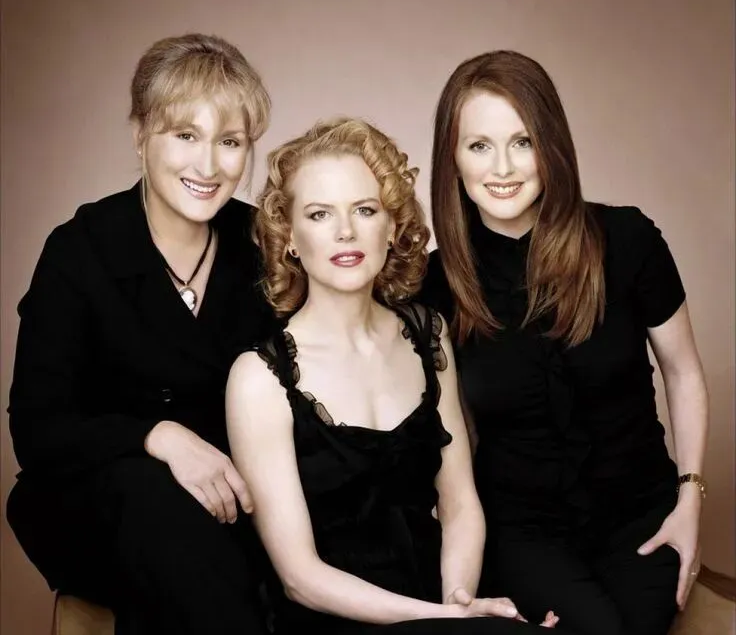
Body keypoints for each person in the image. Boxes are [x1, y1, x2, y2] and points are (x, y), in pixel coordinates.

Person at [225, 117, 568, 635]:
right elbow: (299, 578)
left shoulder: (428, 334)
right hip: (334, 620)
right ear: (289, 237)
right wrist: (444, 620)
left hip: (438, 599)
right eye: (319, 214)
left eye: (365, 210)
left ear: (392, 227)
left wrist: (458, 601)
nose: (346, 231)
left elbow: (459, 503)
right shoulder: (258, 378)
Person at [419, 50, 709, 635]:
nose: (502, 167)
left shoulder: (627, 239)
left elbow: (683, 373)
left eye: (522, 142)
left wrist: (690, 499)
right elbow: (449, 436)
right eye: (479, 145)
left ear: (551, 146)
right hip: (523, 531)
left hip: (641, 516)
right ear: (452, 157)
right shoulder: (435, 283)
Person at [6, 33, 276, 634]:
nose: (208, 167)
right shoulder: (79, 250)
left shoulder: (264, 244)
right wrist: (159, 437)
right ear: (139, 135)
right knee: (153, 501)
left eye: (229, 142)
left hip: (234, 507)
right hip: (96, 501)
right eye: (185, 135)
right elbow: (38, 429)